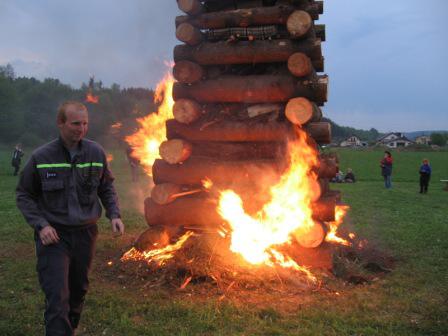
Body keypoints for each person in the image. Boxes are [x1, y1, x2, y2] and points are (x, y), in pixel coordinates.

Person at [16, 101, 125, 336]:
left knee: (78, 291)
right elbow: (24, 195)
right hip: (54, 236)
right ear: (61, 123)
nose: (81, 128)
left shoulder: (96, 152)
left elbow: (106, 187)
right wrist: (41, 225)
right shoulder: (41, 157)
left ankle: (70, 328)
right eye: (76, 123)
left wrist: (114, 214)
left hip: (86, 234)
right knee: (58, 296)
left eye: (85, 123)